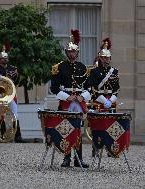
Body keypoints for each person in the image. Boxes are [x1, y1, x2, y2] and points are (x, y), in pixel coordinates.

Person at [50, 29, 91, 168]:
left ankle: (78, 158)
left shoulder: (83, 68)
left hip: (79, 102)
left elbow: (90, 88)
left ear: (77, 53)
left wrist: (82, 96)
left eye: (73, 52)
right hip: (66, 102)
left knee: (78, 129)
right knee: (66, 129)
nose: (71, 54)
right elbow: (54, 88)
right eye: (69, 52)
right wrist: (68, 97)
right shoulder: (59, 67)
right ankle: (66, 158)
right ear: (66, 53)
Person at [0, 43, 23, 143]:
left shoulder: (12, 68)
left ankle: (18, 136)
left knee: (15, 113)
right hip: (1, 93)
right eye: (2, 58)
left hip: (11, 93)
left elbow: (16, 81)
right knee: (2, 114)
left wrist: (17, 75)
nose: (4, 60)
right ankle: (2, 135)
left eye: (6, 58)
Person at [87, 38, 119, 112]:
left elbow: (116, 89)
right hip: (99, 100)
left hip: (111, 101)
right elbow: (93, 89)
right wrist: (104, 101)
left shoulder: (114, 71)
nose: (107, 59)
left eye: (108, 58)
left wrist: (110, 101)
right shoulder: (94, 71)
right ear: (100, 58)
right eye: (105, 58)